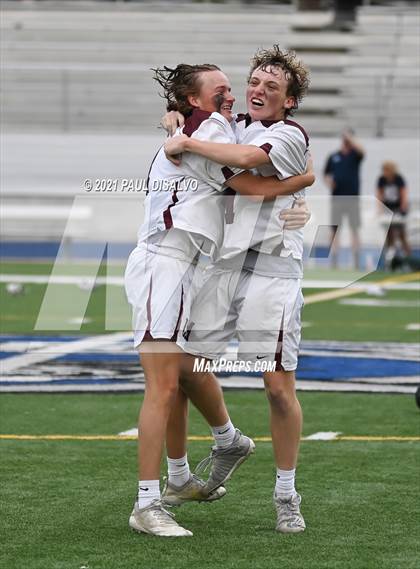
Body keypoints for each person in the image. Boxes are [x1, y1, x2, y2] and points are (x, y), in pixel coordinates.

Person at [125, 63, 314, 537]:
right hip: (188, 262)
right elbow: (242, 175)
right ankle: (173, 482)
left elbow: (247, 163)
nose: (247, 92)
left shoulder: (282, 132)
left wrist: (302, 183)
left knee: (268, 385)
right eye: (237, 86)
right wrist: (180, 122)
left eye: (268, 86)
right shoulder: (221, 125)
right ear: (198, 99)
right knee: (173, 376)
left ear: (289, 100)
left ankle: (283, 492)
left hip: (264, 267)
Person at [324, 129, 364, 269]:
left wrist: (351, 139)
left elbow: (362, 151)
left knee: (354, 229)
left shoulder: (355, 155)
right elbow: (326, 174)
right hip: (337, 198)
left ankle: (356, 259)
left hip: (353, 198)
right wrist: (330, 182)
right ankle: (334, 260)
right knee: (334, 230)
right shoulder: (334, 156)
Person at [376, 160, 411, 265]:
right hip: (388, 209)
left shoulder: (398, 179)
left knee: (401, 235)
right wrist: (380, 209)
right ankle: (389, 260)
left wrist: (402, 209)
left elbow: (404, 194)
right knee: (389, 234)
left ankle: (408, 258)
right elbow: (379, 194)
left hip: (398, 209)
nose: (385, 173)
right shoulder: (381, 180)